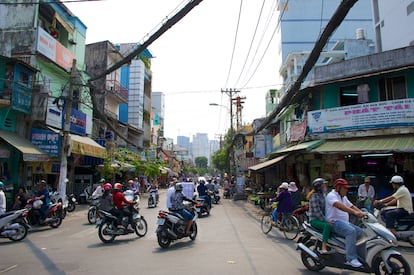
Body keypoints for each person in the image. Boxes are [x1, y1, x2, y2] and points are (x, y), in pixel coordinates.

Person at [325, 178, 365, 268]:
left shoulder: (343, 197)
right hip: (334, 222)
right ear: (339, 188)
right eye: (345, 188)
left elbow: (351, 206)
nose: (347, 190)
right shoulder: (331, 195)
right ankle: (351, 259)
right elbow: (339, 206)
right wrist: (355, 213)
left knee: (362, 233)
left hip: (344, 223)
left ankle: (361, 258)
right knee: (351, 231)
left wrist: (362, 213)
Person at [307, 178, 331, 254]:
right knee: (327, 226)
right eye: (323, 185)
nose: (325, 186)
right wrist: (326, 220)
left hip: (323, 218)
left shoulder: (324, 195)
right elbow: (317, 212)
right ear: (318, 186)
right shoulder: (314, 196)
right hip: (315, 220)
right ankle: (324, 247)